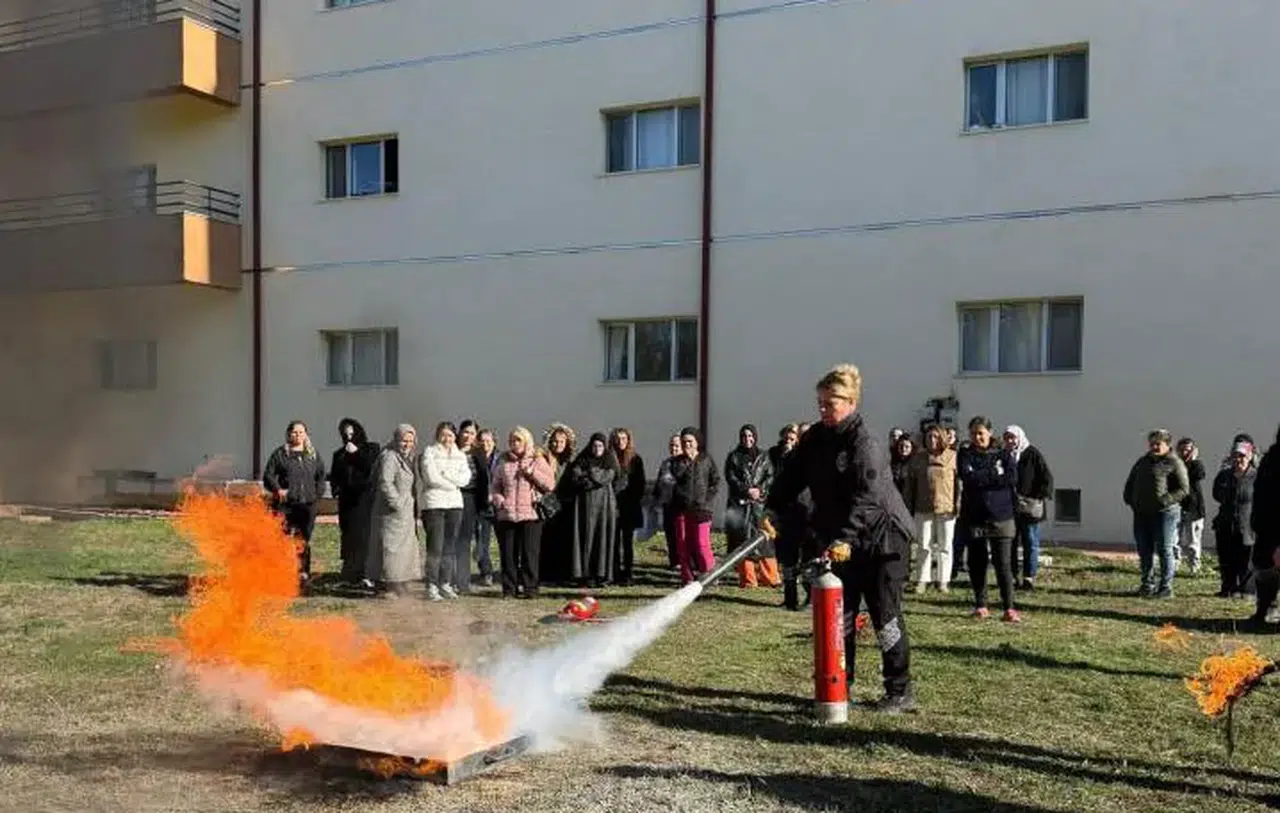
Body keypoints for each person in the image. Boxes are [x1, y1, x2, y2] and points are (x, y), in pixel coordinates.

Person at [765, 364, 916, 713]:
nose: (822, 409)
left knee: (885, 617)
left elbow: (870, 497)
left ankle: (899, 690)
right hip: (843, 542)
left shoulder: (865, 442)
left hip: (883, 542)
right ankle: (838, 685)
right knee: (840, 616)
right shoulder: (816, 438)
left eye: (829, 403)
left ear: (850, 402)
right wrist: (773, 509)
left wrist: (845, 537)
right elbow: (791, 476)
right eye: (819, 402)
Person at [958, 417, 1020, 622]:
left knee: (1003, 564)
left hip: (1001, 517)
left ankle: (1009, 607)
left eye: (981, 433)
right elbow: (968, 478)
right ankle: (981, 604)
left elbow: (1010, 479)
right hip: (975, 517)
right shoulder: (965, 454)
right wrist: (994, 473)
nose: (977, 437)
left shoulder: (1004, 454)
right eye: (974, 433)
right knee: (977, 563)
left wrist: (983, 476)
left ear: (990, 433)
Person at [490, 426, 557, 599]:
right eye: (512, 440)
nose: (514, 443)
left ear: (526, 441)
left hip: (531, 515)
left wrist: (531, 472)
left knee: (530, 554)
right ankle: (509, 589)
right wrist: (499, 500)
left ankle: (530, 588)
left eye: (518, 440)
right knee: (508, 555)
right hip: (508, 513)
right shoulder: (503, 460)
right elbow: (495, 485)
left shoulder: (537, 459)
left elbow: (550, 485)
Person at [1123, 429, 1190, 598]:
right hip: (1141, 513)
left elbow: (1183, 489)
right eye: (1151, 443)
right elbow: (1131, 481)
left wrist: (1165, 500)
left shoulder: (1174, 462)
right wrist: (1130, 498)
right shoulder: (1142, 462)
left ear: (1167, 445)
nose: (1153, 447)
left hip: (1164, 514)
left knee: (1164, 550)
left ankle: (1165, 587)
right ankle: (1147, 584)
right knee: (1144, 550)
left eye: (1157, 444)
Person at [262, 421, 326, 591]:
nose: (297, 435)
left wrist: (316, 495)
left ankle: (303, 573)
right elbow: (268, 475)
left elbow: (321, 476)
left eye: (301, 432)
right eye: (294, 432)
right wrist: (277, 489)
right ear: (288, 435)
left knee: (303, 539)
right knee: (283, 539)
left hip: (307, 506)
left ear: (306, 434)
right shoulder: (281, 454)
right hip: (287, 505)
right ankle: (282, 573)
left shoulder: (312, 454)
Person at [418, 422, 473, 601]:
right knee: (435, 546)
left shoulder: (460, 455)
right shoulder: (429, 452)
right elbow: (431, 477)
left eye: (450, 435)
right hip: (434, 504)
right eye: (443, 435)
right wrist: (452, 483)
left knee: (449, 547)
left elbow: (465, 479)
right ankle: (431, 585)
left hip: (455, 505)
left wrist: (446, 476)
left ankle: (445, 583)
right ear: (437, 435)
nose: (447, 439)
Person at [905, 423, 958, 594]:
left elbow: (959, 484)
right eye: (929, 437)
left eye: (935, 436)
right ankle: (922, 579)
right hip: (923, 506)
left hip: (946, 508)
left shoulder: (952, 457)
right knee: (923, 545)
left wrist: (958, 505)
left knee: (945, 546)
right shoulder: (918, 458)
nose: (932, 440)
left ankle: (943, 580)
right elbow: (910, 485)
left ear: (942, 438)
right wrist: (908, 507)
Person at [368, 424, 420, 598]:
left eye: (410, 441)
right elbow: (385, 482)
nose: (407, 444)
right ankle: (386, 585)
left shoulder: (406, 457)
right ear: (396, 439)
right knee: (390, 550)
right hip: (390, 512)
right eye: (404, 440)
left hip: (404, 512)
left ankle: (400, 582)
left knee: (404, 550)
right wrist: (397, 503)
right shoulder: (390, 456)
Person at [724, 424, 778, 588]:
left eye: (750, 436)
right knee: (743, 542)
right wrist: (746, 490)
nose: (748, 439)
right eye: (744, 436)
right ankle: (748, 579)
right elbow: (731, 478)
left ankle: (770, 578)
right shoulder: (733, 457)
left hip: (759, 506)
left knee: (765, 542)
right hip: (741, 506)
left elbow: (770, 477)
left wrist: (759, 491)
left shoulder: (764, 456)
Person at [328, 418, 381, 585]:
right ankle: (350, 572)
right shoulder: (339, 453)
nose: (349, 437)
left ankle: (365, 572)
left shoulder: (371, 448)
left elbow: (370, 468)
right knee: (349, 537)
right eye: (345, 434)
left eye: (352, 433)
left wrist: (356, 453)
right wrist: (336, 488)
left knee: (364, 536)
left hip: (364, 501)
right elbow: (335, 475)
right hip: (347, 502)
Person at [566, 432, 620, 588]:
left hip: (604, 507)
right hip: (583, 507)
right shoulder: (582, 460)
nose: (597, 449)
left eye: (600, 446)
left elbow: (605, 477)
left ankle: (602, 575)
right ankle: (584, 574)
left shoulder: (610, 461)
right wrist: (590, 476)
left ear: (605, 447)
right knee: (584, 539)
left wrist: (589, 473)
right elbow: (576, 477)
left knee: (602, 539)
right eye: (595, 445)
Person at [1003, 425, 1053, 590]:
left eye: (1013, 437)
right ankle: (1012, 576)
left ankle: (1028, 577)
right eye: (1007, 438)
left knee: (1030, 542)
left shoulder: (1032, 453)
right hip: (1009, 507)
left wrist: (1036, 496)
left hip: (1029, 508)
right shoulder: (1004, 456)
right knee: (1010, 542)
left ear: (1019, 438)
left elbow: (1046, 477)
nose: (1010, 441)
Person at [668, 427, 720, 585]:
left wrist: (707, 500)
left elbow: (715, 481)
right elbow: (675, 478)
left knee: (701, 543)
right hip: (681, 509)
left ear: (697, 442)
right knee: (683, 545)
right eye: (684, 442)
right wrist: (687, 461)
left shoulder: (706, 459)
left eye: (690, 442)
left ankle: (710, 576)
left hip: (702, 509)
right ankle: (687, 579)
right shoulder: (677, 462)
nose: (687, 445)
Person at [1213, 442, 1257, 599]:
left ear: (1250, 457)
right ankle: (1228, 588)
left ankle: (1247, 591)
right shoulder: (1224, 475)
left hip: (1247, 524)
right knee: (1226, 558)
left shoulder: (1256, 476)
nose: (1238, 459)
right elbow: (1216, 494)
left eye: (1242, 456)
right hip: (1225, 522)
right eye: (1235, 456)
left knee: (1246, 560)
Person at [453, 419, 490, 594]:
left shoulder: (478, 452)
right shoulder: (451, 449)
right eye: (466, 432)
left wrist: (483, 504)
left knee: (464, 540)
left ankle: (462, 581)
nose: (468, 436)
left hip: (470, 498)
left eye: (472, 433)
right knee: (449, 539)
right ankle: (447, 578)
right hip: (450, 495)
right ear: (459, 432)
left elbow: (484, 478)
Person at [1250, 426, 1280, 627]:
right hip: (1266, 525)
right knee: (1264, 569)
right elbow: (1260, 493)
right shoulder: (1270, 459)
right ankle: (1265, 608)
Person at [610, 428, 646, 586]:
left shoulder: (635, 459)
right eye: (617, 439)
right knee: (613, 541)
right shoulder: (609, 458)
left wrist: (631, 498)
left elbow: (640, 483)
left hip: (629, 505)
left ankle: (628, 573)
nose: (621, 442)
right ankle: (615, 572)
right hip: (612, 506)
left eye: (624, 438)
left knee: (627, 542)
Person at [1175, 437, 1207, 575]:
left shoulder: (1197, 465)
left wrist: (1193, 460)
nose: (1185, 453)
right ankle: (1174, 565)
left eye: (1187, 450)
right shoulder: (1174, 465)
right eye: (1182, 450)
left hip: (1194, 509)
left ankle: (1194, 568)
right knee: (1174, 540)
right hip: (1176, 507)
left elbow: (1198, 475)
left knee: (1193, 542)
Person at [652, 433, 684, 568]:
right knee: (670, 534)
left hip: (682, 505)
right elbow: (660, 481)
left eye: (677, 446)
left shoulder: (686, 463)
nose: (674, 448)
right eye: (671, 445)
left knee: (682, 536)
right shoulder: (666, 463)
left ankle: (684, 561)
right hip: (668, 505)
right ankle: (674, 560)